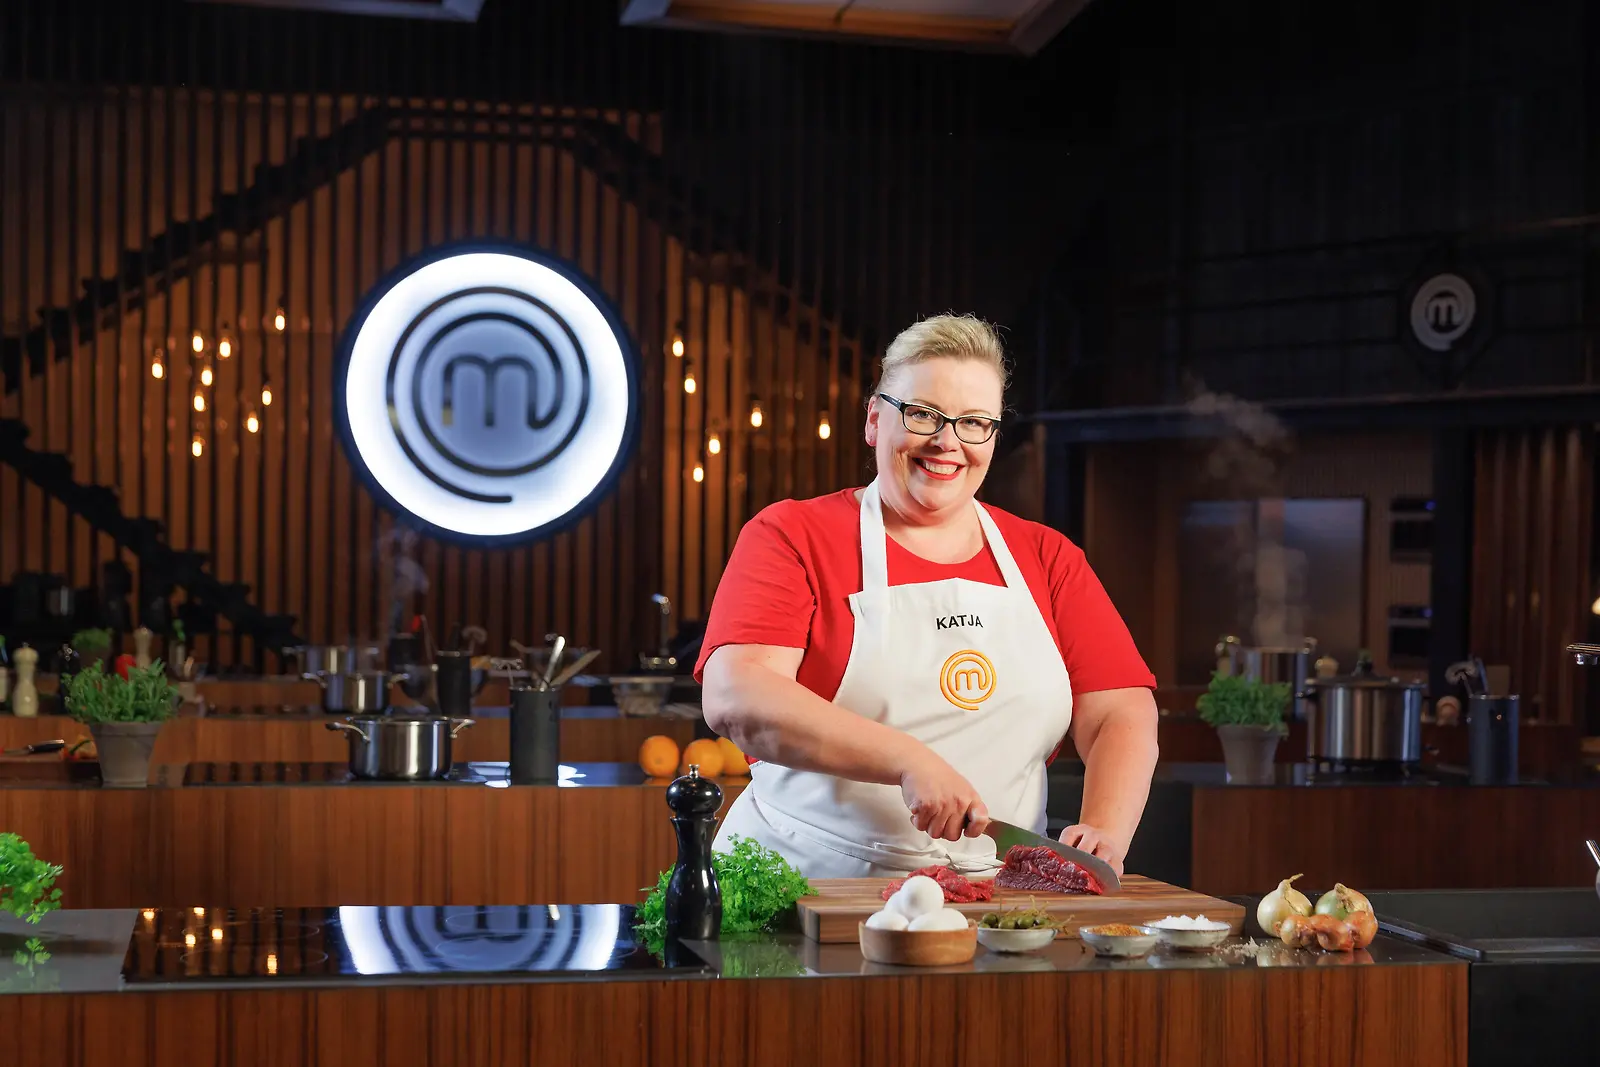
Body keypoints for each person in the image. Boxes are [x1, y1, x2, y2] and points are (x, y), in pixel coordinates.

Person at [695, 314, 1159, 880]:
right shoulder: (793, 535)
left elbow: (1119, 711)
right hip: (809, 882)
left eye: (974, 423)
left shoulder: (1046, 557)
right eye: (922, 414)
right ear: (874, 419)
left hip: (998, 895)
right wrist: (907, 760)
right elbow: (736, 694)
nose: (947, 442)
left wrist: (1105, 829)